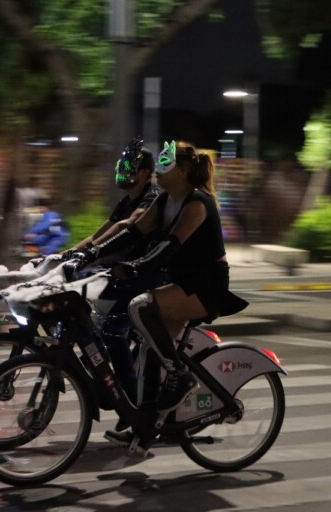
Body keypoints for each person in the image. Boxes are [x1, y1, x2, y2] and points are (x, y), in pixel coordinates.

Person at [81, 141, 231, 447]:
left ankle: (182, 377)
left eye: (167, 165)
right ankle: (145, 426)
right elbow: (132, 231)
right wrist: (89, 254)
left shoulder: (196, 202)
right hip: (181, 284)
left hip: (205, 286)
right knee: (150, 349)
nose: (159, 172)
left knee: (141, 307)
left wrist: (136, 266)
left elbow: (170, 245)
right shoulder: (164, 200)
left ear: (184, 171)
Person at [65, 137, 161, 415]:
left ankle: (129, 401)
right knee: (88, 317)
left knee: (112, 331)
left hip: (146, 278)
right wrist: (64, 255)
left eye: (129, 166)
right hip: (124, 276)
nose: (123, 171)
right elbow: (97, 234)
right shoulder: (125, 201)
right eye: (122, 165)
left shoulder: (151, 197)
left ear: (144, 172)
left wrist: (91, 253)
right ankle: (109, 376)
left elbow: (126, 226)